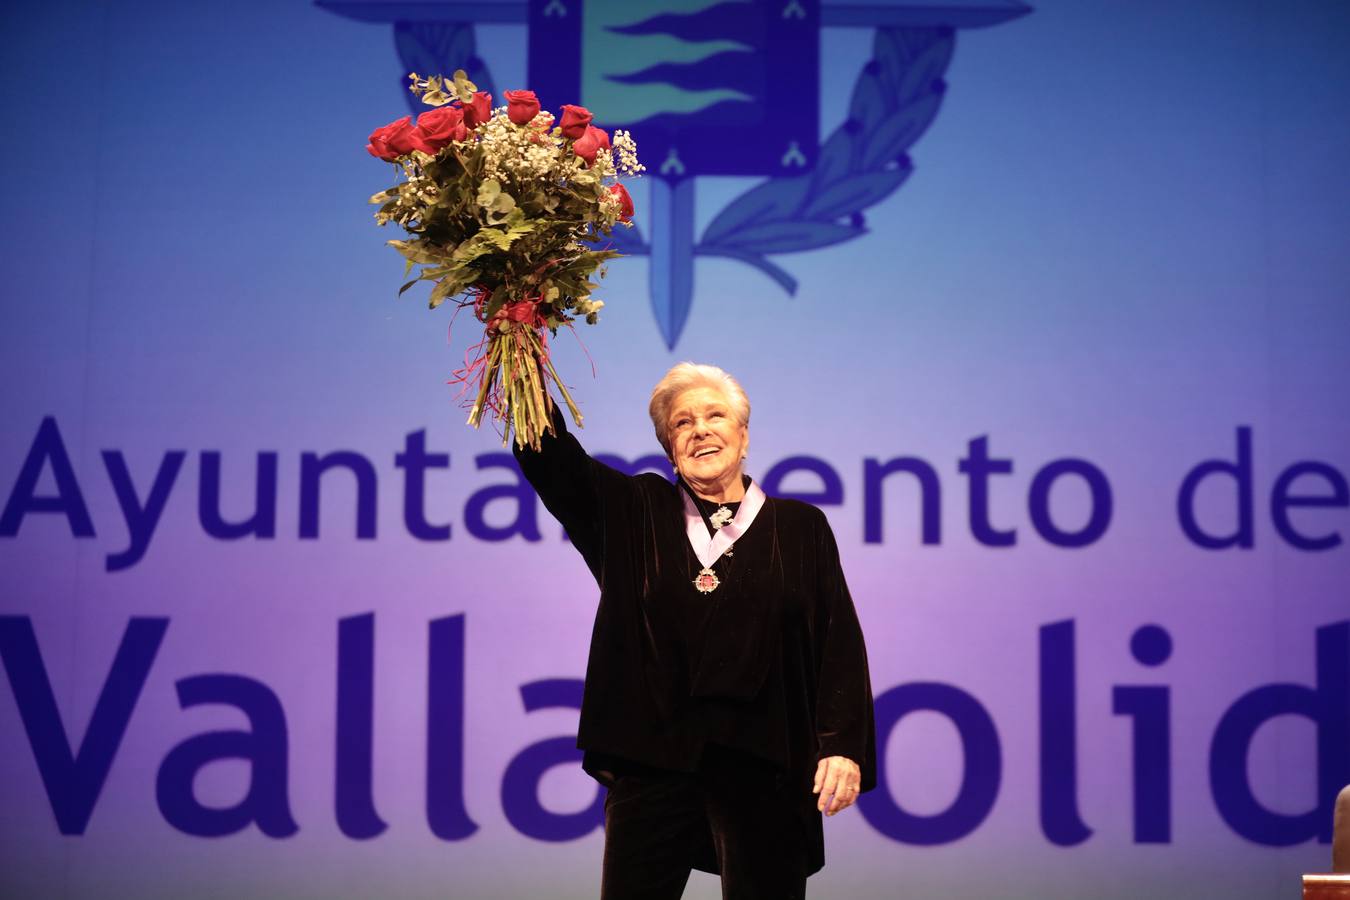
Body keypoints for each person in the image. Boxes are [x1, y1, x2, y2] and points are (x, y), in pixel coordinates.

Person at [514, 362, 876, 899]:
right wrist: (517, 354)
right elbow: (554, 463)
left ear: (743, 434)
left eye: (715, 415)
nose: (700, 429)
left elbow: (836, 639)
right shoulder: (634, 512)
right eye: (682, 423)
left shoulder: (801, 528)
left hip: (765, 762)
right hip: (654, 761)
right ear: (669, 448)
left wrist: (841, 745)